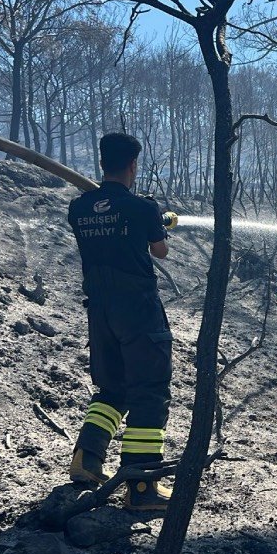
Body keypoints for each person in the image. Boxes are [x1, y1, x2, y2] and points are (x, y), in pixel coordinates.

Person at [66, 132, 173, 511]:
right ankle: (142, 487)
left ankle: (88, 458)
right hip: (138, 309)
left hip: (99, 310)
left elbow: (107, 230)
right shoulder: (143, 209)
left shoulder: (78, 209)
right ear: (133, 165)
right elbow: (159, 251)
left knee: (113, 388)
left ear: (101, 163)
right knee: (150, 389)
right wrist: (161, 222)